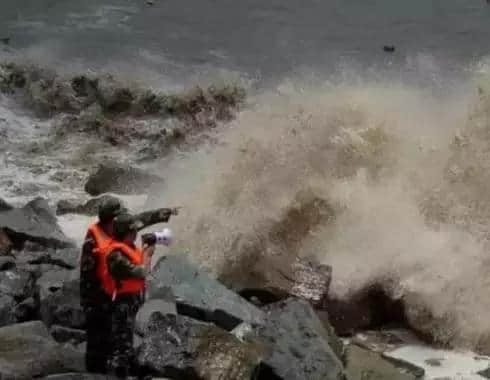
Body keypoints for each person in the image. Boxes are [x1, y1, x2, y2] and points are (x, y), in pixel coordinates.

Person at [80, 198, 178, 374]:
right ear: (112, 220)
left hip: (118, 296)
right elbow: (88, 277)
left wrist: (163, 213)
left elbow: (138, 220)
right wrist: (96, 302)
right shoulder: (94, 241)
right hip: (98, 299)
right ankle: (95, 373)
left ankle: (115, 367)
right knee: (99, 343)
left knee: (119, 341)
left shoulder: (119, 229)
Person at [102, 213, 155, 378]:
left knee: (126, 341)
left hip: (130, 302)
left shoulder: (128, 247)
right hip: (120, 304)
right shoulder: (115, 256)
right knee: (121, 347)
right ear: (125, 232)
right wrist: (147, 255)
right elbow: (140, 273)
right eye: (133, 230)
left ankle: (134, 371)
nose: (136, 233)